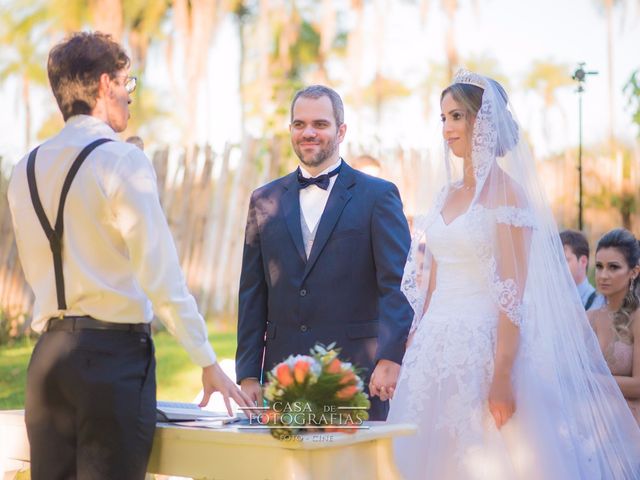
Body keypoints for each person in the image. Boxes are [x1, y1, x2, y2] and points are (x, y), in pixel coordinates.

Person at [7, 32, 252, 480]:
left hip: (47, 361)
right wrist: (207, 360)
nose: (130, 95)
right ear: (105, 85)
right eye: (127, 82)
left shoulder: (22, 170)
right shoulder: (121, 161)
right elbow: (160, 276)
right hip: (111, 358)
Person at [388, 70, 640, 479]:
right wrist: (416, 338)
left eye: (456, 117)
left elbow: (511, 294)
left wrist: (502, 373)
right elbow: (433, 278)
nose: (447, 128)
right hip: (433, 349)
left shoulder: (508, 196)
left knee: (487, 454)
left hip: (485, 348)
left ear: (481, 122)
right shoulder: (445, 194)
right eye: (443, 118)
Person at [235, 85, 413, 420]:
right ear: (290, 130)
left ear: (341, 131)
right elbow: (252, 293)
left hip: (356, 373)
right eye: (299, 124)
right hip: (281, 373)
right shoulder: (264, 199)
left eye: (320, 124)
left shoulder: (377, 195)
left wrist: (390, 357)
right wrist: (248, 372)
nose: (309, 133)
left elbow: (398, 285)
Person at [588, 228, 640, 424]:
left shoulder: (637, 319)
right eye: (599, 266)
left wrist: (589, 379)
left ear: (634, 272)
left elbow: (638, 385)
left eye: (613, 267)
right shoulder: (588, 319)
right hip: (592, 422)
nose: (603, 275)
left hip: (630, 426)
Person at [560, 229, 605, 310]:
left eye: (564, 260)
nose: (558, 266)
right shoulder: (549, 300)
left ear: (583, 261)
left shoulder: (599, 303)